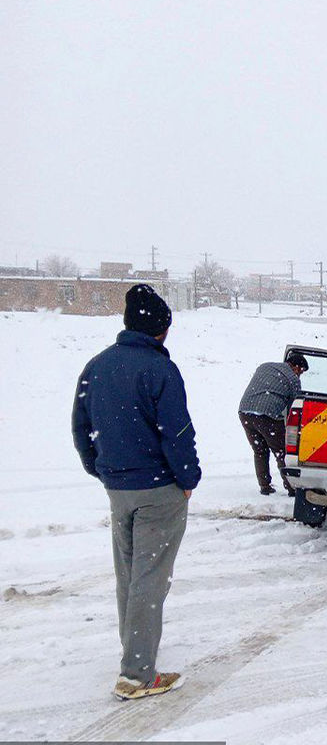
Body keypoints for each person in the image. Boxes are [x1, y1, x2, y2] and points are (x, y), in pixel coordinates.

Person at [71, 284, 201, 700]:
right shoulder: (160, 370)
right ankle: (138, 673)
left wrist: (100, 468)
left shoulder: (97, 366)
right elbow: (177, 433)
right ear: (161, 329)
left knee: (128, 574)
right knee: (149, 577)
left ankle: (134, 651)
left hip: (118, 487)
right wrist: (187, 479)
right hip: (158, 489)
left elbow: (81, 426)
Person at [238, 352, 308, 495]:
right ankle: (291, 487)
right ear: (295, 367)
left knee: (259, 450)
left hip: (245, 411)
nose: (300, 375)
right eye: (301, 371)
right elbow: (294, 406)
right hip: (267, 415)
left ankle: (264, 486)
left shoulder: (265, 366)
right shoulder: (293, 379)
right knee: (282, 452)